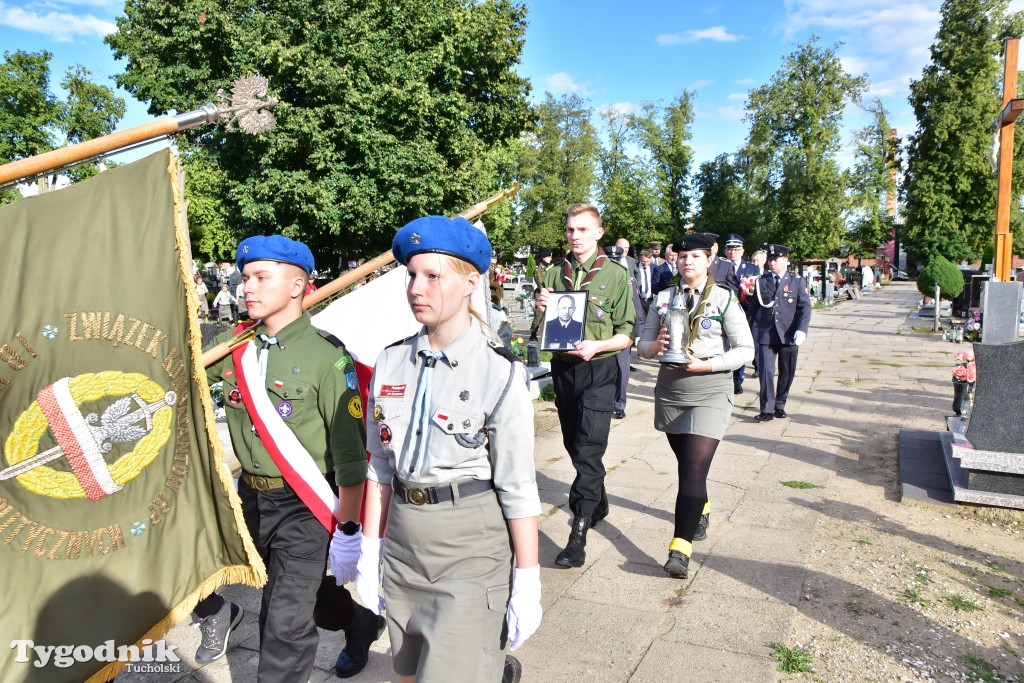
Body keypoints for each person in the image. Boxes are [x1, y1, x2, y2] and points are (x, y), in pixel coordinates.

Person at [353, 215, 542, 682]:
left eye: (433, 275)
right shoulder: (391, 360)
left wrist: (528, 580)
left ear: (471, 282)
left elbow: (517, 485)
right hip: (403, 542)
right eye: (411, 275)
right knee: (409, 675)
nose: (417, 287)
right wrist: (368, 549)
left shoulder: (499, 371)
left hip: (468, 547)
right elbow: (380, 466)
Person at [195, 235, 384, 681]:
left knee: (283, 623)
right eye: (245, 278)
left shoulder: (326, 357)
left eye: (262, 277)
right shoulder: (232, 347)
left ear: (298, 285)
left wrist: (350, 532)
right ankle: (358, 622)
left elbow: (350, 456)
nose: (248, 288)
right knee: (302, 593)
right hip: (248, 500)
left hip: (304, 503)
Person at [636, 232, 754, 579]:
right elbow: (641, 345)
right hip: (671, 391)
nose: (687, 262)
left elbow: (744, 349)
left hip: (711, 390)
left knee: (690, 471)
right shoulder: (662, 298)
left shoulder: (724, 299)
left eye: (695, 257)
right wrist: (655, 346)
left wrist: (709, 365)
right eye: (682, 257)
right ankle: (701, 505)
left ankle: (679, 549)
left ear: (708, 261)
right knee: (689, 467)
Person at [535, 203, 636, 568]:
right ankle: (599, 500)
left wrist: (598, 345)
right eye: (570, 230)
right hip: (563, 370)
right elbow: (543, 327)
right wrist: (540, 305)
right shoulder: (553, 274)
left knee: (589, 449)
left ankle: (577, 534)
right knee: (574, 446)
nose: (575, 236)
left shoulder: (615, 275)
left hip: (599, 370)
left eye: (582, 230)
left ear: (599, 232)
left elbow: (627, 333)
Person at [746, 244, 811, 422]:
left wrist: (802, 329)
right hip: (766, 334)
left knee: (787, 371)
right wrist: (747, 334)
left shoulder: (796, 281)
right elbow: (753, 310)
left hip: (789, 333)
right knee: (766, 371)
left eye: (776, 260)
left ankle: (780, 404)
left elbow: (805, 307)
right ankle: (766, 408)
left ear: (785, 261)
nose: (772, 263)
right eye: (770, 260)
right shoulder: (761, 281)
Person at [605, 245, 646, 420]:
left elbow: (637, 306)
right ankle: (604, 403)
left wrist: (640, 332)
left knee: (622, 370)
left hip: (623, 331)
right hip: (603, 331)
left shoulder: (629, 279)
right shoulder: (597, 278)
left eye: (617, 259)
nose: (614, 262)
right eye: (611, 259)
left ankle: (619, 405)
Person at [722, 234, 760, 394]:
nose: (733, 252)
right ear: (725, 251)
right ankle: (724, 378)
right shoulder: (720, 266)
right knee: (724, 346)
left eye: (736, 249)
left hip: (744, 313)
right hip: (723, 312)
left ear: (742, 251)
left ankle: (737, 380)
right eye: (729, 249)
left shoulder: (752, 268)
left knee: (740, 345)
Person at [637, 249, 656, 315]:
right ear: (639, 258)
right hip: (639, 300)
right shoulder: (635, 267)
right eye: (643, 262)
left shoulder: (655, 268)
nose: (645, 264)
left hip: (651, 299)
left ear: (651, 259)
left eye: (648, 261)